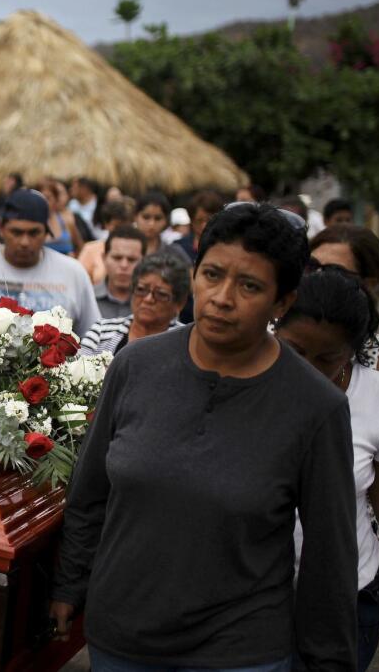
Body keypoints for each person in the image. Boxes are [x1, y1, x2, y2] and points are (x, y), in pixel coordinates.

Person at [52, 202, 357, 670]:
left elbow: (328, 556)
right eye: (212, 275)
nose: (222, 297)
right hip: (121, 639)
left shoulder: (315, 407)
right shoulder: (136, 366)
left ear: (283, 302)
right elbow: (89, 493)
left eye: (249, 285)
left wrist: (327, 660)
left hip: (239, 651)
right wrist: (70, 585)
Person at [275, 268, 379, 671]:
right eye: (295, 351)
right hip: (253, 601)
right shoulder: (247, 386)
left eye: (327, 357)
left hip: (347, 599)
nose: (309, 369)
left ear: (354, 350)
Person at [0, 188, 99, 338]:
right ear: (1, 228)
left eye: (34, 233)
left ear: (47, 232)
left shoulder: (73, 273)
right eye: (16, 232)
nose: (24, 242)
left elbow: (93, 335)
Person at [308, 224, 379, 384]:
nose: (318, 277)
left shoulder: (376, 354)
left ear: (368, 283)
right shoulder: (272, 331)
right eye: (311, 266)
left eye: (333, 271)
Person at [81, 252, 188, 356]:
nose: (148, 299)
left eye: (161, 294)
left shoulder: (186, 342)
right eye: (141, 289)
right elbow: (78, 371)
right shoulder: (101, 331)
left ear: (179, 304)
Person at [92, 226, 147, 319]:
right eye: (117, 258)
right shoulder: (87, 299)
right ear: (104, 258)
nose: (124, 265)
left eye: (132, 259)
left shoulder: (154, 304)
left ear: (144, 261)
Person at [77, 202, 133, 284]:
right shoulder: (91, 249)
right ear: (106, 225)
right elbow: (79, 281)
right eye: (117, 226)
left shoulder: (137, 250)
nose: (122, 231)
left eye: (126, 226)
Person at [172, 190, 224, 264]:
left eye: (209, 220)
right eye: (199, 221)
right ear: (192, 221)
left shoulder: (226, 247)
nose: (204, 225)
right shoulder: (179, 247)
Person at [129, 191, 172, 256]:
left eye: (158, 218)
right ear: (135, 217)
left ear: (165, 220)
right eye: (146, 217)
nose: (151, 224)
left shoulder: (173, 253)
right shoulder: (123, 250)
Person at [68, 176, 100, 241]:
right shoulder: (72, 204)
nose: (71, 190)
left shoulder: (100, 205)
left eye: (74, 188)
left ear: (84, 189)